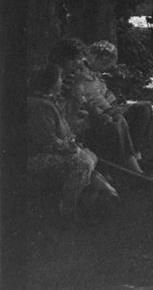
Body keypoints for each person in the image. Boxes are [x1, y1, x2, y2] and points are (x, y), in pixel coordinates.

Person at [28, 62, 118, 221]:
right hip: (34, 157)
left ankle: (102, 195)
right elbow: (46, 140)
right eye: (59, 78)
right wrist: (69, 148)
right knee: (81, 163)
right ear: (50, 81)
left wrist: (74, 145)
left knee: (89, 157)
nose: (61, 81)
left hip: (53, 150)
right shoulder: (39, 105)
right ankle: (69, 209)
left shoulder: (48, 102)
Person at [52, 38, 150, 177]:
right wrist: (105, 108)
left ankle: (135, 156)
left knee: (142, 109)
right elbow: (83, 101)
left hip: (97, 110)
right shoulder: (70, 76)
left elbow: (100, 93)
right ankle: (132, 165)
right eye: (75, 60)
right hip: (82, 118)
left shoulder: (86, 73)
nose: (79, 63)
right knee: (118, 120)